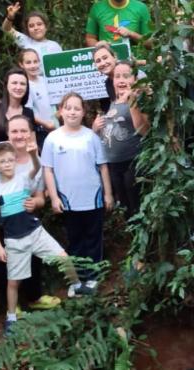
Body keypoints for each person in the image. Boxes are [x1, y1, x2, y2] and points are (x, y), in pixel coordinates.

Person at [0, 142, 91, 335]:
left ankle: (77, 285)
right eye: (2, 161)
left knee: (63, 257)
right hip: (14, 240)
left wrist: (34, 154)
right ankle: (11, 317)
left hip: (35, 232)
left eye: (10, 160)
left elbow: (36, 168)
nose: (7, 164)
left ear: (15, 161)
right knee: (13, 282)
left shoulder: (23, 178)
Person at [0, 116, 61, 312]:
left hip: (23, 217)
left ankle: (34, 297)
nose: (19, 135)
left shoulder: (35, 159)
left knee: (33, 257)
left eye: (23, 131)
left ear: (31, 133)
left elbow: (40, 196)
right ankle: (12, 308)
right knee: (3, 262)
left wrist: (35, 203)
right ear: (7, 133)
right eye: (14, 131)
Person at [41, 93, 114, 289]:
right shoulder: (52, 139)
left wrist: (108, 194)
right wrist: (54, 197)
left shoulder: (91, 137)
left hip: (93, 198)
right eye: (68, 108)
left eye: (77, 108)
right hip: (68, 201)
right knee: (75, 240)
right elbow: (48, 170)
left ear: (83, 113)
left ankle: (93, 277)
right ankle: (77, 280)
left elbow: (103, 167)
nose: (72, 112)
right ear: (60, 111)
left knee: (93, 238)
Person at [92, 60, 150, 218]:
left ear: (135, 79)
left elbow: (144, 130)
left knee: (136, 207)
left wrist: (132, 102)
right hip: (114, 165)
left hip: (132, 162)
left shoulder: (139, 100)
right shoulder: (112, 103)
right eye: (117, 76)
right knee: (125, 208)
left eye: (126, 76)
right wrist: (95, 129)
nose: (121, 80)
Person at [0, 68, 37, 145]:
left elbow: (32, 144)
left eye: (22, 84)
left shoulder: (28, 113)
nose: (18, 87)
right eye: (14, 83)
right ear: (6, 85)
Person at [2, 3, 63, 73]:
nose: (36, 28)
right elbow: (7, 29)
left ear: (46, 27)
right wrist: (10, 17)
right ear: (27, 30)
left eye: (39, 24)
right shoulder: (25, 41)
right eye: (31, 26)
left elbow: (62, 67)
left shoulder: (54, 45)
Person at [16, 48, 57, 144]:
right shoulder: (24, 85)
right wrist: (46, 124)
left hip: (56, 126)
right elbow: (28, 111)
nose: (33, 66)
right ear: (21, 64)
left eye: (35, 61)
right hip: (40, 130)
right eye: (28, 62)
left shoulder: (46, 80)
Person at [85, 0, 152, 46]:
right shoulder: (97, 7)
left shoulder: (141, 8)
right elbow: (90, 38)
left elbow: (150, 43)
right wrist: (100, 47)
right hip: (107, 60)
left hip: (135, 59)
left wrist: (131, 34)